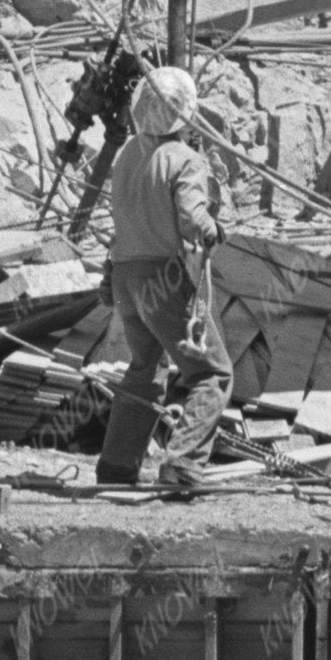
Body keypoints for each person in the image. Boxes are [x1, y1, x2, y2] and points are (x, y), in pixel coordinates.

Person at [96, 57, 224, 487]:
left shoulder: (127, 156)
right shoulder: (184, 159)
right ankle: (182, 466)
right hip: (161, 278)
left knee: (145, 368)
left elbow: (120, 218)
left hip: (124, 277)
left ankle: (116, 466)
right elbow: (191, 217)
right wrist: (210, 227)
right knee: (211, 373)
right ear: (186, 111)